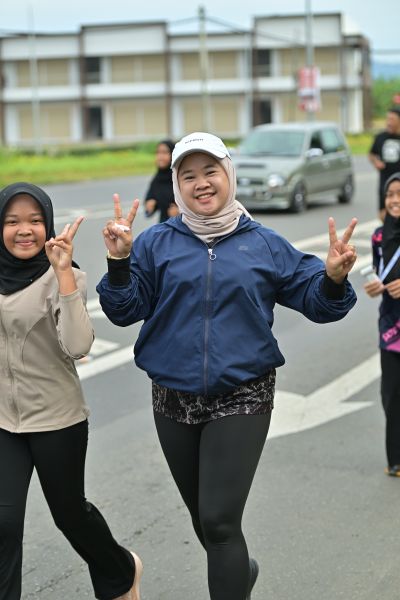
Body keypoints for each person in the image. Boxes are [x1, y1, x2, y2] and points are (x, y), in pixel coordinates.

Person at [96, 132, 358, 600]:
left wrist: (333, 279)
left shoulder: (264, 244)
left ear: (228, 174)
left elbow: (319, 302)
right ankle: (241, 571)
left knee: (218, 521)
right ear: (176, 185)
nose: (201, 183)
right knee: (205, 521)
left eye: (210, 171)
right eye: (188, 175)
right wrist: (119, 263)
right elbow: (124, 309)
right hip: (172, 396)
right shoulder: (156, 243)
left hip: (244, 393)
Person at [0, 182, 142, 600]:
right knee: (3, 524)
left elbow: (79, 346)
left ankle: (121, 571)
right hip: (4, 421)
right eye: (12, 221)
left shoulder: (64, 274)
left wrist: (62, 274)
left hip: (57, 419)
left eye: (34, 220)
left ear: (47, 225)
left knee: (70, 516)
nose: (23, 230)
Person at [363, 172, 400, 477]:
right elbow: (379, 271)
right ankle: (396, 459)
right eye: (390, 194)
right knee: (391, 394)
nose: (394, 200)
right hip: (391, 326)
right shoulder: (378, 236)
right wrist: (375, 285)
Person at [368, 106, 400, 221]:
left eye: (392, 119)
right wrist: (376, 162)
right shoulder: (381, 137)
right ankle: (387, 230)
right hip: (385, 182)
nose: (388, 122)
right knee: (383, 213)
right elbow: (371, 154)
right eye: (388, 119)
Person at [144, 139, 179, 222]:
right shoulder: (157, 179)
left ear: (173, 154)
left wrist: (180, 212)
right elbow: (150, 200)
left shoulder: (179, 177)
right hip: (164, 225)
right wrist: (150, 205)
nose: (160, 156)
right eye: (158, 152)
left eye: (164, 152)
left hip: (184, 226)